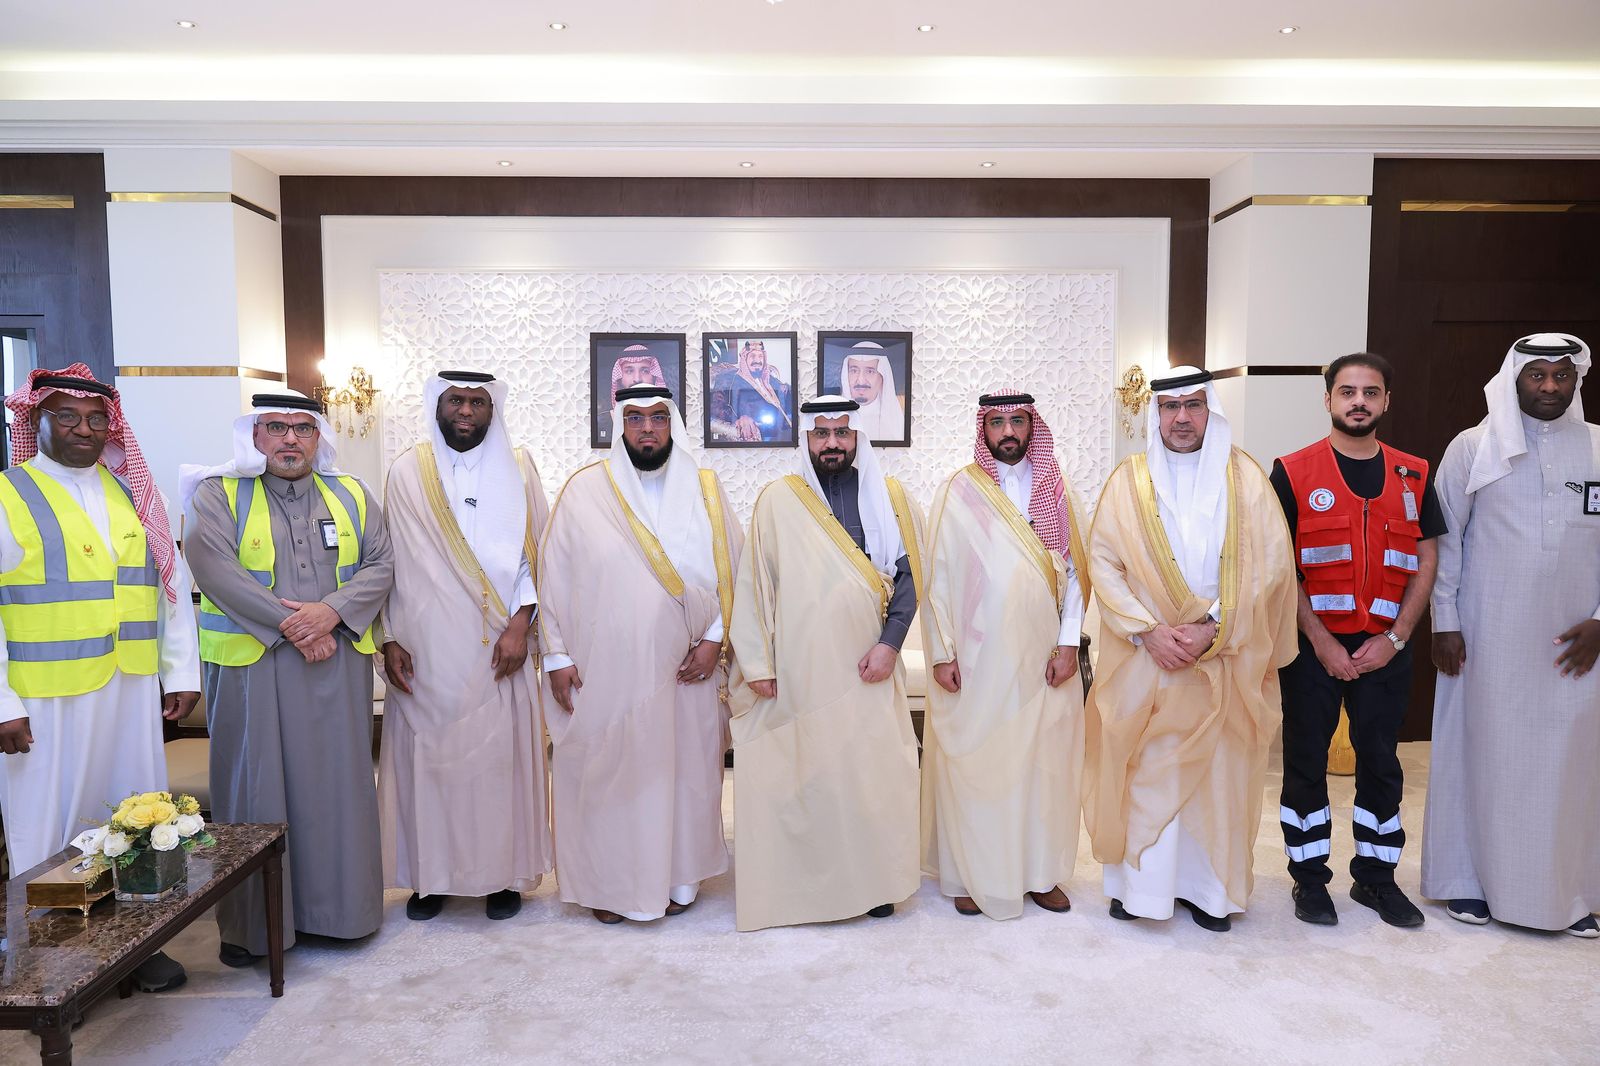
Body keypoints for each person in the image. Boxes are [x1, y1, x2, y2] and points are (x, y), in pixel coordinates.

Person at [0, 365, 199, 993]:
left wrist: (179, 672)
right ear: (37, 421)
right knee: (49, 829)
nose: (84, 430)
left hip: (130, 688)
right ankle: (56, 968)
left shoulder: (131, 492)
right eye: (67, 417)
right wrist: (1, 703)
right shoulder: (10, 494)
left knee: (134, 814)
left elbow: (170, 587)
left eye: (95, 419)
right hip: (43, 700)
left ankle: (138, 946)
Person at [181, 391, 394, 966]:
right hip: (253, 669)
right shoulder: (216, 494)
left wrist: (331, 613)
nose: (290, 439)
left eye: (302, 428)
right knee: (257, 791)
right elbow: (214, 568)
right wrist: (298, 625)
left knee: (337, 788)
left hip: (335, 665)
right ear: (254, 435)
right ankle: (254, 928)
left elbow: (381, 563)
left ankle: (341, 916)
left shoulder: (352, 493)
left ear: (319, 437)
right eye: (276, 427)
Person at [1083, 366, 1297, 933]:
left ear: (1211, 411)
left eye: (1194, 406)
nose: (1182, 418)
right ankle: (1140, 890)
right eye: (1170, 407)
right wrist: (1146, 631)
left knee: (1219, 778)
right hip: (1147, 660)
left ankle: (1210, 893)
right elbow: (1103, 562)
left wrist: (1214, 628)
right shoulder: (1127, 481)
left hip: (1223, 657)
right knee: (1145, 771)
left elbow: (1271, 567)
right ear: (1156, 415)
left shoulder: (1247, 480)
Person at [538, 385, 742, 924]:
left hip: (686, 670)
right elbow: (554, 577)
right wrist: (556, 656)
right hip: (606, 670)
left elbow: (732, 572)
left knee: (683, 776)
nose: (647, 428)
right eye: (635, 418)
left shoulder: (705, 488)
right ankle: (611, 887)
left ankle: (678, 881)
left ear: (672, 423)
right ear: (619, 425)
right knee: (611, 773)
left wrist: (714, 640)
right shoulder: (584, 492)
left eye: (657, 417)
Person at [1424, 333, 1600, 937]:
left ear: (1577, 380)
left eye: (1561, 375)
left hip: (1578, 645)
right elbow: (1444, 542)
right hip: (1487, 634)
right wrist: (1445, 622)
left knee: (1571, 765)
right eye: (1536, 375)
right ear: (1514, 379)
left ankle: (1571, 891)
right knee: (1483, 754)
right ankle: (1468, 881)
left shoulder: (1598, 447)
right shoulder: (1473, 447)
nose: (1549, 386)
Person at [727, 395, 924, 931]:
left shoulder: (890, 496)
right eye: (821, 433)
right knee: (807, 776)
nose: (832, 443)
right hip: (799, 668)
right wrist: (757, 664)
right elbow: (755, 584)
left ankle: (873, 883)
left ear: (857, 436)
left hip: (868, 665)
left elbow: (910, 576)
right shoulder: (777, 501)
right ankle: (803, 887)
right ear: (806, 439)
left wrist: (890, 645)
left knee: (869, 778)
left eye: (842, 432)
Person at [1271, 353, 1443, 928]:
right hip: (1311, 649)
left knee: (1382, 763)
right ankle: (1309, 880)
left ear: (1386, 400)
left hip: (1385, 649)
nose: (1359, 402)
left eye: (1371, 392)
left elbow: (1426, 558)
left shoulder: (1414, 473)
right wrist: (1320, 640)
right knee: (1304, 763)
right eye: (1347, 392)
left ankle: (1376, 879)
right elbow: (1280, 568)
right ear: (1328, 400)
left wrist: (1396, 637)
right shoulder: (1292, 472)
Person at [378, 370, 551, 922]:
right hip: (425, 648)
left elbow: (536, 557)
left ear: (492, 409)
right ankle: (430, 879)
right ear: (439, 404)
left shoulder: (519, 467)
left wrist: (521, 626)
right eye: (456, 400)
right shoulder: (407, 471)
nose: (466, 412)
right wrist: (389, 637)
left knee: (497, 765)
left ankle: (502, 877)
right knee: (430, 765)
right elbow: (389, 561)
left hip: (501, 646)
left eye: (478, 402)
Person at [921, 390, 1091, 919]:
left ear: (1031, 426)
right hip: (979, 660)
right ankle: (972, 873)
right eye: (997, 422)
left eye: (1018, 420)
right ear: (984, 429)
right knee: (980, 763)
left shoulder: (1059, 491)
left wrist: (1069, 643)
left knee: (1044, 767)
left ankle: (1040, 874)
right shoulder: (958, 492)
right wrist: (942, 653)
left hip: (1044, 659)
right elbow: (936, 577)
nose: (1009, 431)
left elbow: (1077, 576)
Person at [710, 340, 792, 443]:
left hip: (784, 431)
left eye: (760, 356)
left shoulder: (768, 378)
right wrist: (741, 418)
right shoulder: (728, 380)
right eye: (752, 356)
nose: (757, 360)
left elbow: (787, 396)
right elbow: (716, 409)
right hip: (762, 436)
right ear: (745, 358)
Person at [835, 342, 905, 442]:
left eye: (870, 371)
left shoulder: (901, 410)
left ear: (882, 376)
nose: (861, 381)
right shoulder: (833, 412)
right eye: (854, 371)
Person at [597, 346, 668, 443]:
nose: (637, 379)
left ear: (654, 377)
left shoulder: (670, 418)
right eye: (629, 371)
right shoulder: (602, 422)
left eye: (645, 371)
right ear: (619, 378)